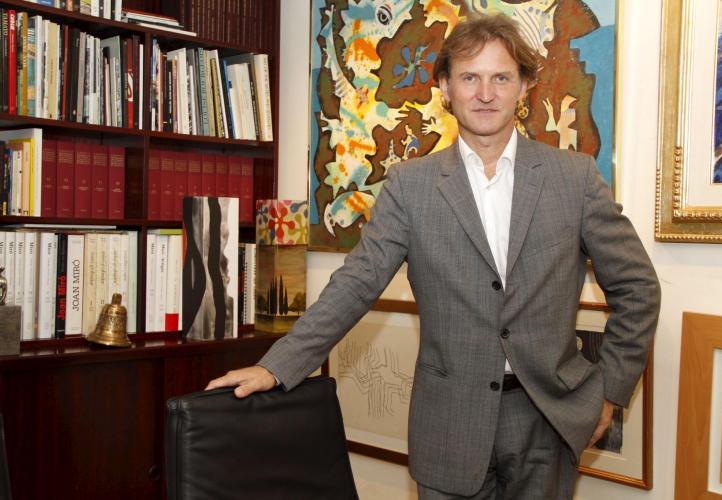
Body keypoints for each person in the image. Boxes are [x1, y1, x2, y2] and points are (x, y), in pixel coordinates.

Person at [207, 13, 660, 500]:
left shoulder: (575, 178)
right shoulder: (410, 186)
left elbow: (638, 288)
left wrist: (609, 394)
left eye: (500, 78)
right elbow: (356, 283)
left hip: (547, 423)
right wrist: (278, 366)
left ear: (524, 86)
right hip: (448, 426)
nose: (485, 93)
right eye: (469, 78)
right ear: (445, 87)